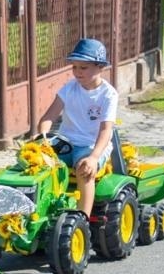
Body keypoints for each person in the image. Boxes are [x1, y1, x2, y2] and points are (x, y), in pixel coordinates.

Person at [33, 38, 118, 221]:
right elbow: (48, 117)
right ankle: (40, 212)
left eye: (83, 67)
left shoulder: (108, 95)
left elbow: (105, 130)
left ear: (100, 67)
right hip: (65, 143)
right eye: (74, 67)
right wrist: (44, 137)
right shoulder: (69, 88)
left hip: (90, 146)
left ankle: (82, 219)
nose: (77, 72)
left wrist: (94, 157)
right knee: (36, 164)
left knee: (84, 169)